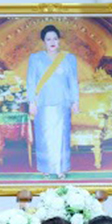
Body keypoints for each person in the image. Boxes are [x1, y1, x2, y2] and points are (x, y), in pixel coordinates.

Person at [27, 24, 79, 179]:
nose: (52, 42)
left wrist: (75, 101)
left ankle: (61, 168)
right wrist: (31, 102)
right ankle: (46, 168)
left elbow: (73, 81)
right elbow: (31, 81)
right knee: (44, 136)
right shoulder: (36, 58)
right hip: (43, 103)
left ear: (59, 40)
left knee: (61, 136)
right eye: (48, 39)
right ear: (43, 41)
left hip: (62, 102)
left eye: (55, 38)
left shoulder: (69, 58)